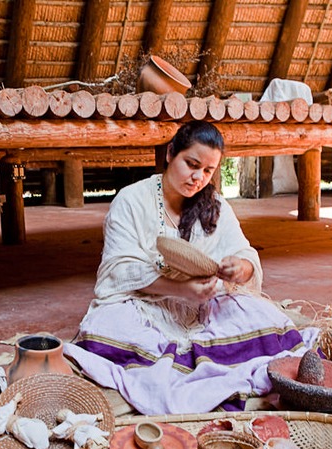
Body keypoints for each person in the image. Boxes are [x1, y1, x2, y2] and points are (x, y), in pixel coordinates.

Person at [65, 121, 319, 414]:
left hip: (205, 306)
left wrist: (242, 268)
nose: (198, 177)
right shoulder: (132, 200)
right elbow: (119, 269)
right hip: (145, 303)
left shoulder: (217, 206)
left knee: (264, 319)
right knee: (103, 328)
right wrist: (180, 290)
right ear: (171, 153)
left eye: (208, 171)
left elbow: (245, 252)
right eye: (192, 164)